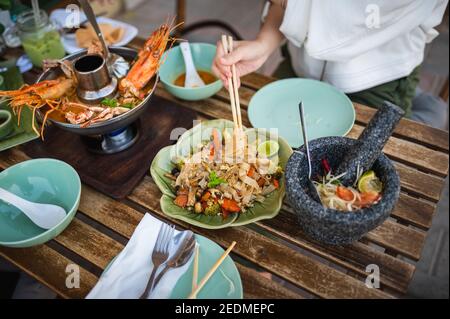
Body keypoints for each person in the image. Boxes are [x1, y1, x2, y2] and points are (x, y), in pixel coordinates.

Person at [212, 0, 448, 118]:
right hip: (299, 65)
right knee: (261, 132)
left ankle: (428, 109)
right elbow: (289, 5)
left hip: (380, 78)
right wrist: (263, 44)